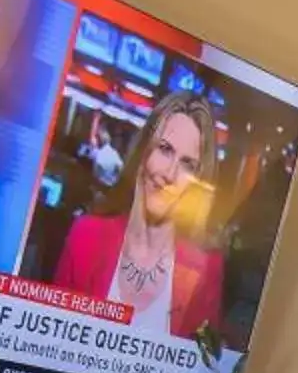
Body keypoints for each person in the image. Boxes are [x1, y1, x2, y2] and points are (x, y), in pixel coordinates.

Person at [51, 92, 225, 342]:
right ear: (144, 152)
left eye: (188, 165)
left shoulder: (205, 271)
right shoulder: (86, 237)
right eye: (164, 149)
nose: (170, 173)